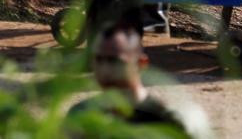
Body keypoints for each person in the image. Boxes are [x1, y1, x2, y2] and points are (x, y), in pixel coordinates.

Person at [68, 23, 213, 138]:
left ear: (141, 63)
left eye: (115, 62)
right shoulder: (81, 115)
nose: (105, 70)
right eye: (99, 60)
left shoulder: (170, 121)